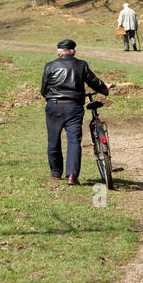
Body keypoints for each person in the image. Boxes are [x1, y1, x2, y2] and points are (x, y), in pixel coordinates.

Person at [40, 39, 109, 185]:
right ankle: (72, 176)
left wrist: (52, 98)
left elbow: (43, 90)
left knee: (53, 140)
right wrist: (104, 88)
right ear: (74, 52)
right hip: (74, 107)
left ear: (58, 52)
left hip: (54, 106)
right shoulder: (81, 65)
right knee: (74, 141)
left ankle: (55, 173)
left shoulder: (50, 66)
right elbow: (93, 82)